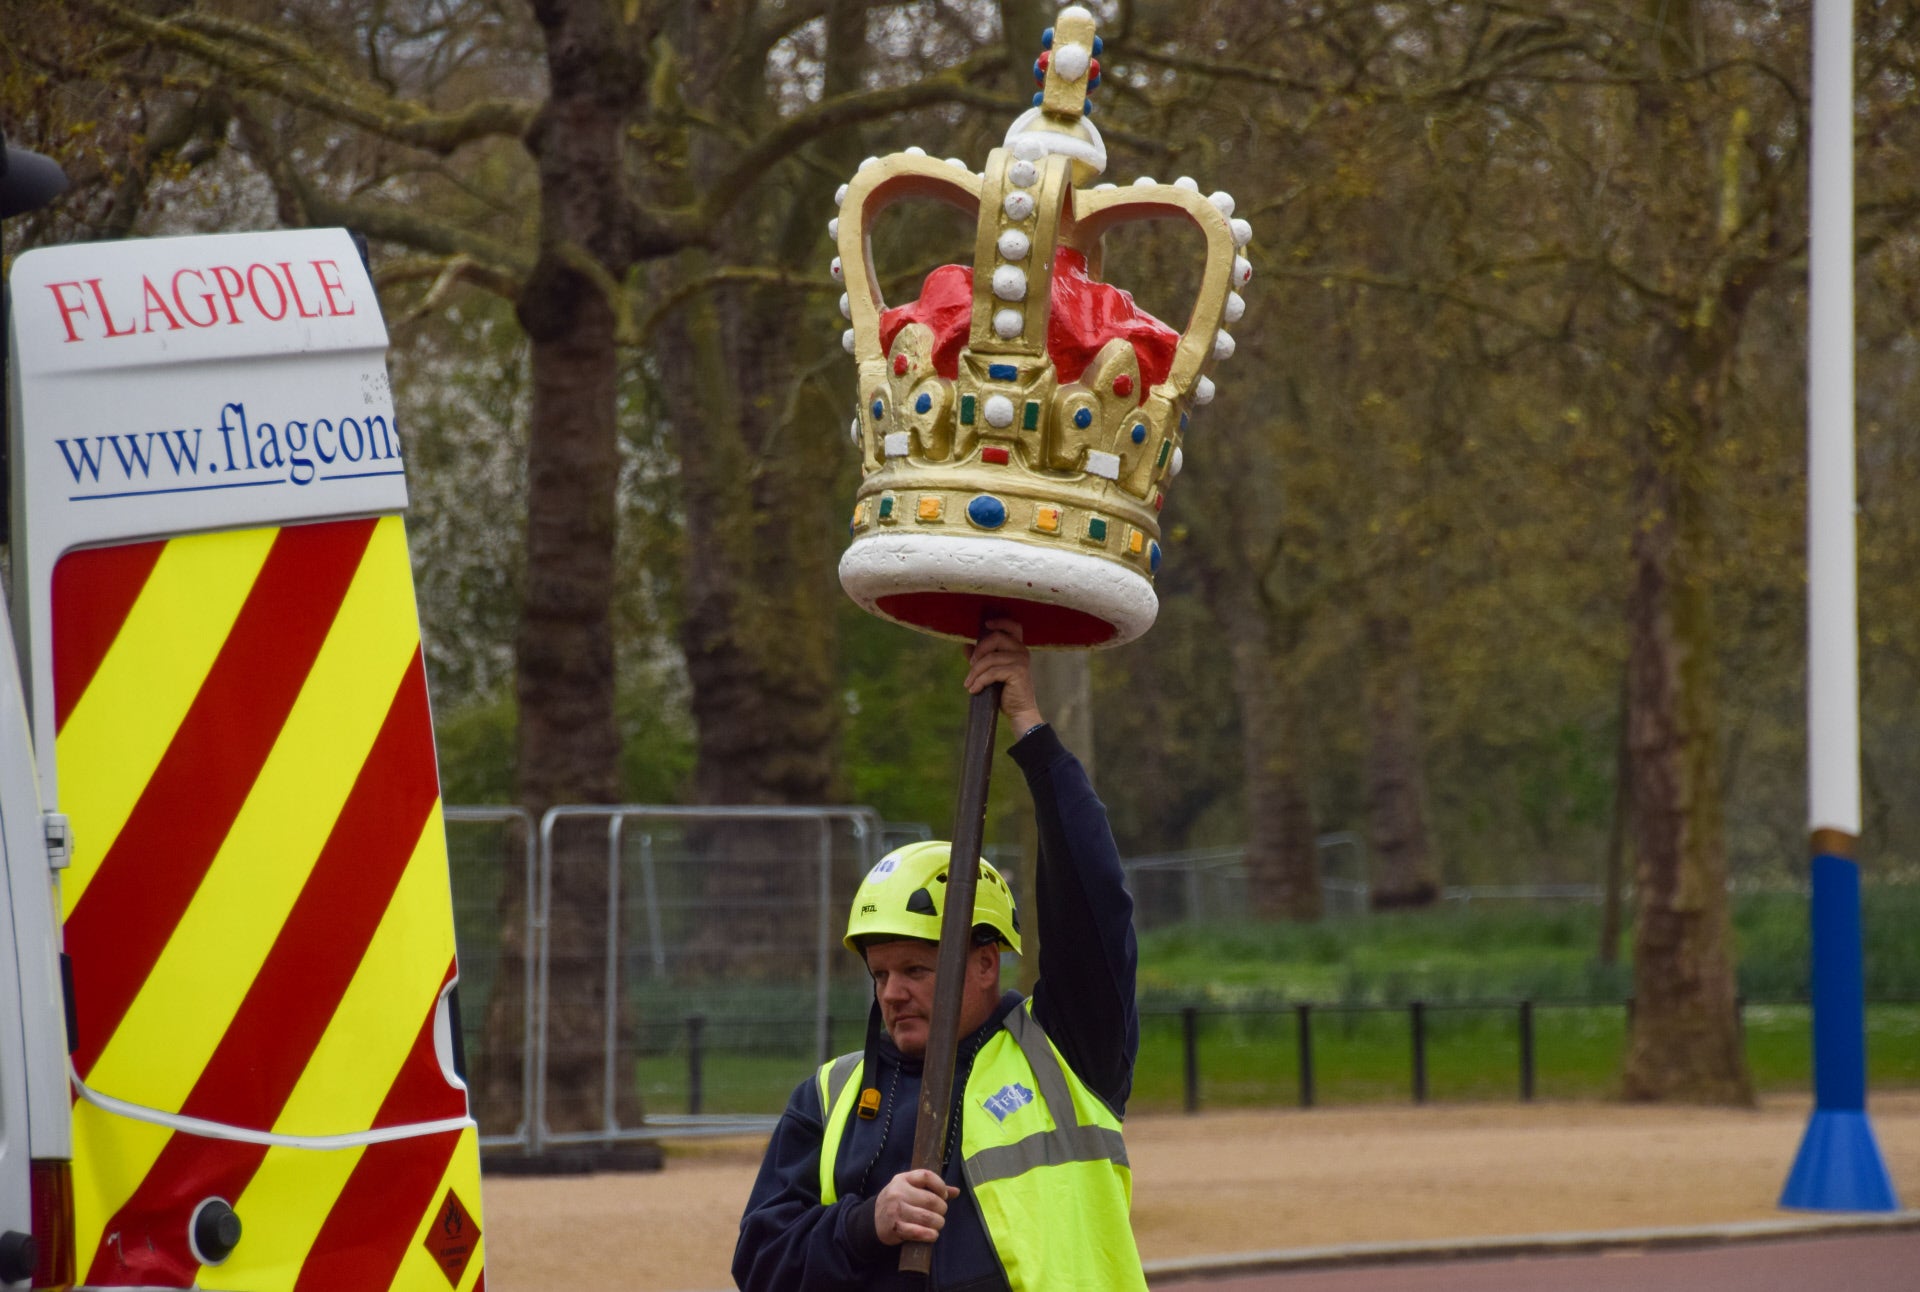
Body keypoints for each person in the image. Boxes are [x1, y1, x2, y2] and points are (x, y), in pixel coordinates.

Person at [733, 619, 1145, 1291]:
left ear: (986, 963)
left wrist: (1032, 732)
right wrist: (866, 1222)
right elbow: (761, 1265)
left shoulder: (1068, 1054)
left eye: (917, 971)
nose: (892, 992)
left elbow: (1095, 901)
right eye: (881, 974)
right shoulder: (829, 1098)